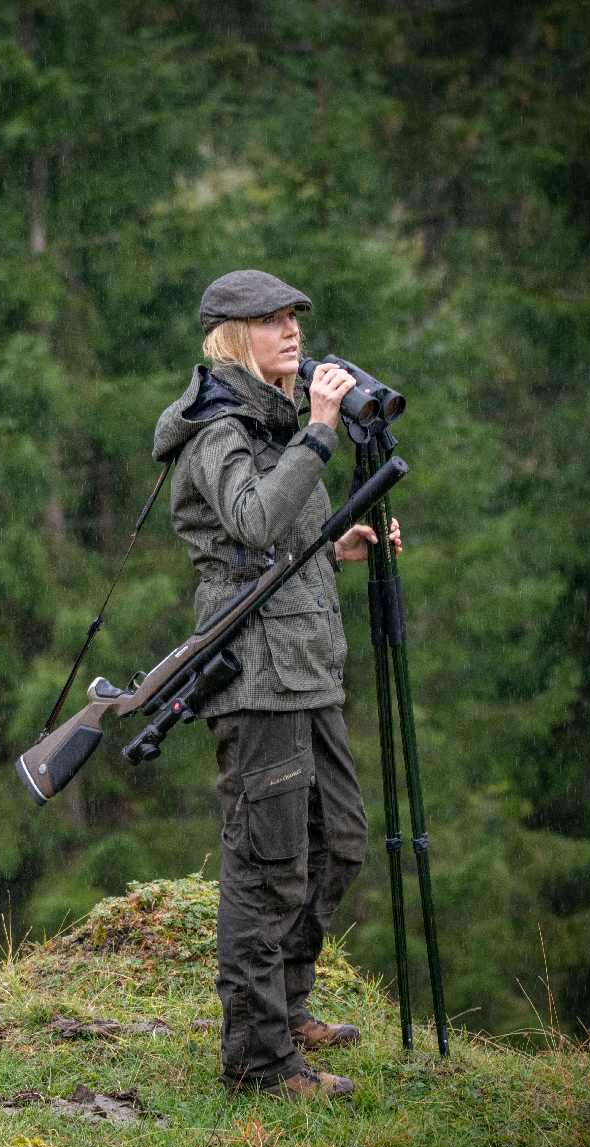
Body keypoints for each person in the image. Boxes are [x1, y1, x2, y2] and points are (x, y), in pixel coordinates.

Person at [152, 269, 401, 1100]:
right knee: (266, 868)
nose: (292, 331)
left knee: (339, 842)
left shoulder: (276, 421)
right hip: (257, 682)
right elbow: (252, 519)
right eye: (271, 321)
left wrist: (337, 548)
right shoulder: (218, 429)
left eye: (295, 316)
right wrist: (322, 431)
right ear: (232, 336)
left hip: (306, 671)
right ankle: (259, 1061)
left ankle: (287, 1011)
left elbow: (272, 549)